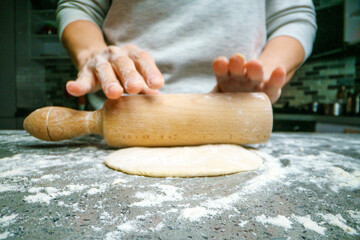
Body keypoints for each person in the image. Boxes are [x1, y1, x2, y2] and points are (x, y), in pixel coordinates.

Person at [56, 0, 317, 104]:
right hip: (125, 109)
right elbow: (79, 6)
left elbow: (294, 17)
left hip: (237, 115)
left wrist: (262, 76)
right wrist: (94, 54)